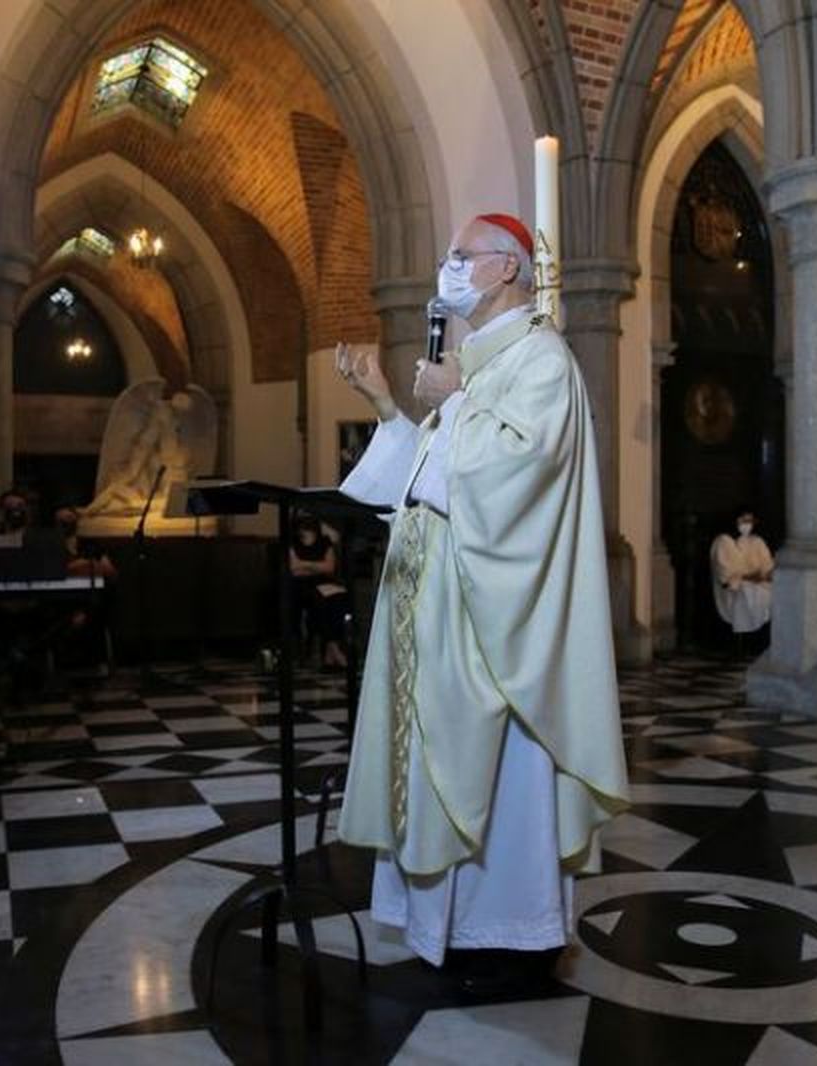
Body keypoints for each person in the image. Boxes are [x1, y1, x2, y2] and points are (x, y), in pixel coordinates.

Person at [334, 212, 629, 989]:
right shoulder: (475, 363)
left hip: (494, 622)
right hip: (436, 603)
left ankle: (510, 935)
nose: (448, 268)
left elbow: (514, 475)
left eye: (461, 256)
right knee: (435, 762)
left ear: (506, 269)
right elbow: (425, 478)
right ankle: (450, 927)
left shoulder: (541, 359)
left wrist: (458, 394)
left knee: (501, 773)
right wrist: (387, 408)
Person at [287, 512, 349, 669]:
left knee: (338, 598)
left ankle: (330, 650)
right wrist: (317, 566)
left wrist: (304, 564)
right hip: (301, 586)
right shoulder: (292, 543)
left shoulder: (324, 542)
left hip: (325, 583)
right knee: (318, 600)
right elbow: (294, 569)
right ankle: (332, 649)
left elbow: (330, 567)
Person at [710, 506, 774, 638]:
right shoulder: (723, 541)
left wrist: (765, 575)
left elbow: (768, 566)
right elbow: (726, 576)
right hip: (735, 588)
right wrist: (750, 577)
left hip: (760, 582)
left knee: (776, 592)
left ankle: (764, 638)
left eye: (749, 521)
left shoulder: (757, 541)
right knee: (750, 593)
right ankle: (748, 637)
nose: (747, 525)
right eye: (743, 521)